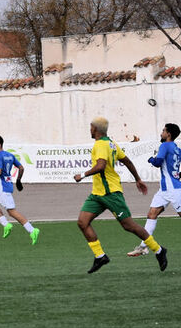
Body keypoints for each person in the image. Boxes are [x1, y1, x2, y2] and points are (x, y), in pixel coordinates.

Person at [73, 116, 167, 273]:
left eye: (90, 127)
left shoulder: (102, 144)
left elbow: (101, 166)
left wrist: (82, 174)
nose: (90, 129)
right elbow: (127, 161)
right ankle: (100, 256)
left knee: (128, 225)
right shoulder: (111, 143)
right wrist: (138, 179)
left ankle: (158, 250)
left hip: (110, 193)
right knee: (82, 222)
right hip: (97, 193)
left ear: (95, 129)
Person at [128, 123, 181, 256]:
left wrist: (151, 159)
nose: (161, 133)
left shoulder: (165, 145)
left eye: (163, 131)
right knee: (151, 214)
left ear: (168, 134)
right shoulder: (176, 148)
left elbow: (158, 162)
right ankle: (143, 246)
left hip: (173, 190)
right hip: (165, 190)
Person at [0, 135, 40, 244]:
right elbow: (21, 167)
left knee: (12, 212)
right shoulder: (10, 155)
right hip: (6, 185)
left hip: (3, 188)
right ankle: (6, 224)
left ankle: (32, 230)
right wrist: (19, 180)